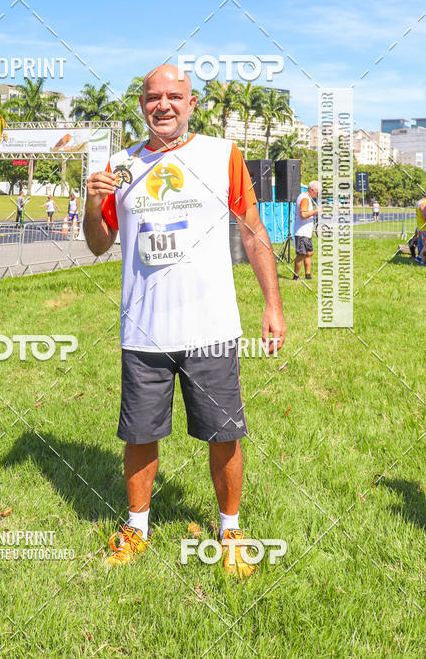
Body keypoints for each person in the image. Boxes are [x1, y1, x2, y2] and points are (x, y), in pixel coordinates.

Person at [83, 64, 286, 576]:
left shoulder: (221, 156)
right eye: (154, 97)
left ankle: (230, 529)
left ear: (191, 103)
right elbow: (97, 243)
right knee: (139, 434)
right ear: (142, 104)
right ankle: (136, 527)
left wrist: (272, 304)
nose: (164, 105)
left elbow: (253, 229)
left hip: (212, 327)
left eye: (175, 96)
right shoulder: (120, 165)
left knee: (224, 434)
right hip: (144, 331)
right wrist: (91, 201)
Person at [293, 182, 321, 280]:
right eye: (317, 192)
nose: (318, 194)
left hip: (306, 232)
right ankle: (296, 276)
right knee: (301, 254)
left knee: (309, 253)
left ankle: (308, 275)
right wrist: (316, 211)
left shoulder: (307, 198)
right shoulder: (304, 198)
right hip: (302, 232)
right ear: (312, 190)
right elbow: (303, 215)